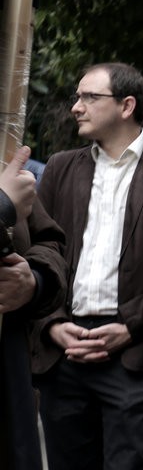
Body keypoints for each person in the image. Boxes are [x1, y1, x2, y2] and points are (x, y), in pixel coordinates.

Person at [32, 62, 143, 470]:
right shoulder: (60, 167)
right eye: (76, 97)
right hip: (65, 350)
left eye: (89, 97)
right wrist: (53, 324)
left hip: (135, 352)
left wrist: (130, 326)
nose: (76, 107)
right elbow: (41, 251)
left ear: (127, 105)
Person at [0, 146, 66, 470]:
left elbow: (51, 244)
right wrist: (3, 206)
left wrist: (33, 282)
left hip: (13, 381)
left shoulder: (3, 159)